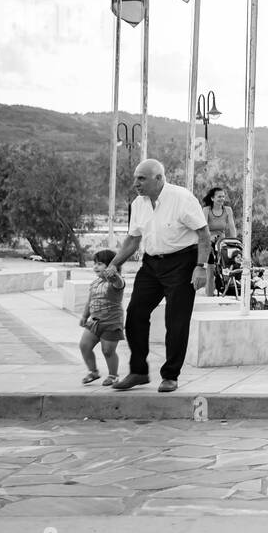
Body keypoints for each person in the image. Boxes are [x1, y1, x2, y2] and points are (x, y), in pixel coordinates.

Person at [106, 159, 211, 393]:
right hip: (152, 265)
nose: (136, 183)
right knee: (135, 314)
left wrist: (201, 267)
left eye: (141, 178)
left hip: (183, 262)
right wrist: (113, 264)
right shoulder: (138, 204)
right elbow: (133, 240)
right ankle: (139, 372)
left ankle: (170, 375)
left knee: (176, 321)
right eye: (135, 178)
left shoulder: (182, 198)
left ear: (159, 178)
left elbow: (203, 235)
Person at [78, 249, 125, 386]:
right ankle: (93, 372)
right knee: (84, 346)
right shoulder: (95, 283)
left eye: (100, 264)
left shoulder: (116, 282)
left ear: (111, 265)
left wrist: (114, 274)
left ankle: (113, 375)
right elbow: (90, 300)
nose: (95, 267)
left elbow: (119, 283)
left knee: (108, 350)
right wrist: (84, 316)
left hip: (111, 323)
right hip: (94, 322)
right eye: (95, 264)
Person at [202, 186, 238, 296]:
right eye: (219, 196)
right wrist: (210, 238)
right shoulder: (206, 210)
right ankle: (209, 293)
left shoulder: (228, 210)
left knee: (226, 264)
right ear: (212, 198)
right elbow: (204, 227)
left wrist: (235, 242)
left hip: (221, 241)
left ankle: (226, 288)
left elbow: (232, 227)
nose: (222, 198)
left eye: (223, 196)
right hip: (209, 240)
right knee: (211, 267)